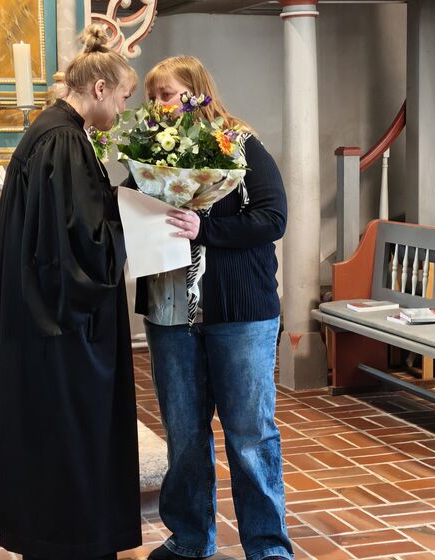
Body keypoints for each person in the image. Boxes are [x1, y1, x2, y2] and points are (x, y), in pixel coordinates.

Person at [0, 25, 142, 560]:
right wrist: (136, 217)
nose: (122, 110)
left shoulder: (51, 132)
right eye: (123, 97)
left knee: (48, 441)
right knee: (69, 440)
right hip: (64, 328)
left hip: (42, 317)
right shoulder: (64, 141)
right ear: (100, 88)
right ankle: (72, 544)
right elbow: (81, 244)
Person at [134, 56, 294, 560]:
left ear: (196, 92)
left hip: (240, 311)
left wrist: (206, 229)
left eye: (166, 94)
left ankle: (267, 547)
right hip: (171, 311)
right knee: (183, 434)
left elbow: (273, 218)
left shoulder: (240, 144)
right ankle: (190, 540)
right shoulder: (147, 153)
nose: (157, 104)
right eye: (152, 96)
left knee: (250, 434)